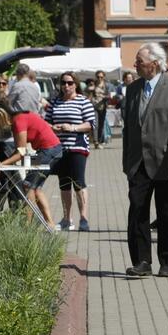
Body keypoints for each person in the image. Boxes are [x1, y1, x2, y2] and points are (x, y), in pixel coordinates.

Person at [122, 42, 168, 277]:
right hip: (138, 163)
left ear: (154, 64)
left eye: (139, 62)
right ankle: (142, 261)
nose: (135, 65)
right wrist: (126, 162)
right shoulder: (132, 89)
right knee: (137, 212)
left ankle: (167, 261)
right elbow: (128, 129)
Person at [0, 102, 63, 228]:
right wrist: (4, 163)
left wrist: (0, 165)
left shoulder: (18, 121)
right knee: (36, 187)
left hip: (49, 150)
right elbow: (19, 150)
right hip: (50, 150)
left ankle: (28, 225)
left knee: (27, 185)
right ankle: (49, 223)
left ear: (1, 115)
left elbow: (20, 153)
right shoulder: (18, 119)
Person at [45, 71, 96, 232]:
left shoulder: (83, 101)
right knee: (64, 183)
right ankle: (67, 219)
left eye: (70, 83)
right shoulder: (55, 102)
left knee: (79, 182)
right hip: (60, 147)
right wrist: (53, 128)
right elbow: (46, 123)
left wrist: (73, 127)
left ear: (76, 84)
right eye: (63, 83)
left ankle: (84, 218)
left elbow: (90, 125)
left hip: (78, 147)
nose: (66, 86)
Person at [91, 70, 109, 149]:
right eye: (98, 77)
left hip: (103, 107)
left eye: (101, 77)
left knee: (101, 125)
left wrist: (104, 96)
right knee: (96, 124)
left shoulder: (107, 85)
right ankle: (96, 142)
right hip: (94, 107)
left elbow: (109, 95)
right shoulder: (93, 85)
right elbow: (87, 92)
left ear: (104, 77)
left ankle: (99, 140)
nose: (99, 78)